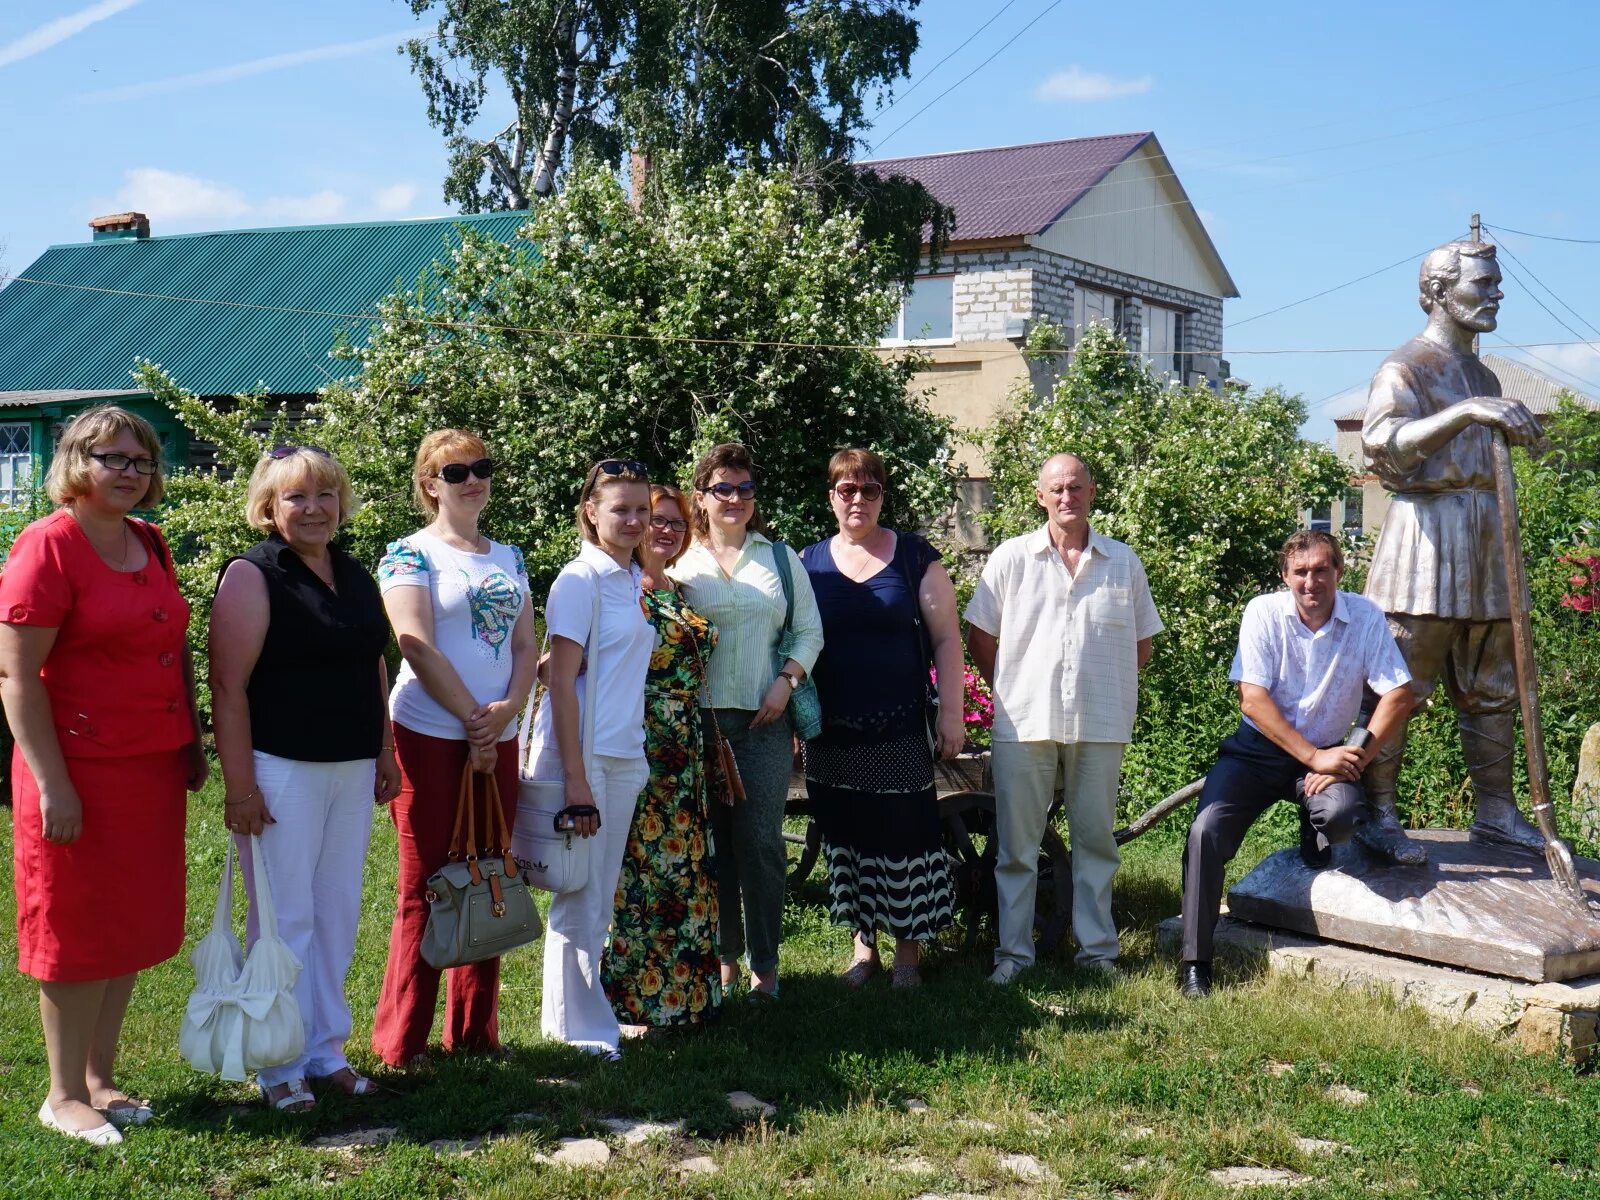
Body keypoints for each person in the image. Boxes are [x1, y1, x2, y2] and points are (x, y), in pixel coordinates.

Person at [0, 406, 207, 1146]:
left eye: (141, 461)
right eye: (112, 457)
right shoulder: (47, 546)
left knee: (131, 922)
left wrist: (192, 738)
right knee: (76, 928)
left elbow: (172, 646)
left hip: (148, 765)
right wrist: (52, 783)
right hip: (77, 771)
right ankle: (60, 1095)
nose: (129, 472)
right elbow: (17, 677)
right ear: (75, 465)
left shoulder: (150, 541)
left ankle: (100, 1079)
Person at [210, 445, 401, 1110]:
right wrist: (240, 789)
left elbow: (373, 662)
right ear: (269, 507)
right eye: (297, 497)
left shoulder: (351, 572)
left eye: (325, 495)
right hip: (281, 769)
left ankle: (325, 1052)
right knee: (283, 918)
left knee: (336, 914)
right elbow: (227, 689)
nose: (314, 508)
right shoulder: (253, 575)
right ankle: (277, 1064)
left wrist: (385, 747)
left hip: (350, 769)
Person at [1359, 239, 1546, 865]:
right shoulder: (1405, 367)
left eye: (1495, 282)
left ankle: (1495, 811)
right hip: (1424, 540)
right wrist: (1464, 412)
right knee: (1399, 684)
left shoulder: (1485, 373)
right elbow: (1383, 445)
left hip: (1485, 536)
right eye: (1481, 283)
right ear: (1439, 291)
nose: (1495, 294)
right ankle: (1378, 815)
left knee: (1494, 683)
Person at [1177, 530, 1414, 998]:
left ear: (1339, 573)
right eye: (1301, 572)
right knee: (1205, 833)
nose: (1311, 581)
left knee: (1341, 816)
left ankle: (1315, 830)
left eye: (1321, 569)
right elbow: (1252, 699)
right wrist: (1312, 757)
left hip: (1328, 752)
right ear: (1285, 576)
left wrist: (1352, 757)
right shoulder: (1263, 612)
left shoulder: (1364, 616)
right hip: (1259, 750)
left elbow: (1399, 693)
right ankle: (1195, 964)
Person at [371, 430, 537, 1068]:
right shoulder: (409, 556)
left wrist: (507, 710)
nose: (472, 479)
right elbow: (413, 642)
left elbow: (526, 645)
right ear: (429, 484)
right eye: (455, 470)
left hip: (497, 736)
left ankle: (473, 1036)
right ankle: (402, 1043)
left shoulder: (511, 557)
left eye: (481, 467)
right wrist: (473, 717)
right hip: (429, 735)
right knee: (427, 883)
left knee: (488, 872)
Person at [964, 453, 1161, 983]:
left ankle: (1097, 953)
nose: (1066, 497)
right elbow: (979, 636)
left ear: (1092, 492)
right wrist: (1012, 687)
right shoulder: (1011, 558)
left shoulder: (1123, 562)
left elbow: (1140, 647)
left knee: (1095, 843)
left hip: (1100, 721)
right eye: (1057, 489)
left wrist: (1101, 681)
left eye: (1076, 487)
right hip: (1024, 721)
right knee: (1017, 849)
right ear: (1040, 496)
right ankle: (1013, 957)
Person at [799, 448, 963, 989]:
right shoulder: (807, 563)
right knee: (846, 836)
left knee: (906, 835)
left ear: (881, 497)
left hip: (897, 726)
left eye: (869, 491)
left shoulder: (916, 557)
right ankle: (862, 949)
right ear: (831, 497)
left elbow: (946, 640)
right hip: (832, 732)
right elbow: (795, 642)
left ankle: (908, 957)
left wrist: (954, 715)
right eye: (847, 490)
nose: (858, 500)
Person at [671, 443, 823, 1000]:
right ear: (702, 497)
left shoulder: (779, 558)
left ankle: (766, 965)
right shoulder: (677, 560)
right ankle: (723, 958)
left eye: (745, 489)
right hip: (698, 724)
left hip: (765, 724)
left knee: (759, 843)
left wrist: (785, 683)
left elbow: (810, 631)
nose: (735, 499)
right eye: (723, 489)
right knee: (712, 846)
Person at [528, 458, 655, 1057]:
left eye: (641, 510)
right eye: (619, 509)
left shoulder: (632, 579)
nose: (632, 520)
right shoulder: (580, 580)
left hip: (625, 754)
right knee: (580, 898)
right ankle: (574, 1033)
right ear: (590, 512)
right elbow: (560, 685)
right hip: (590, 759)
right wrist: (575, 779)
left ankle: (582, 1023)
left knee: (598, 896)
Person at [600, 483, 723, 1030]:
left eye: (676, 521)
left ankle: (689, 999)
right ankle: (636, 1002)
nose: (666, 529)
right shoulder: (622, 587)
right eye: (656, 519)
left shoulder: (676, 588)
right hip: (642, 736)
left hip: (686, 744)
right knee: (645, 870)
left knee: (687, 866)